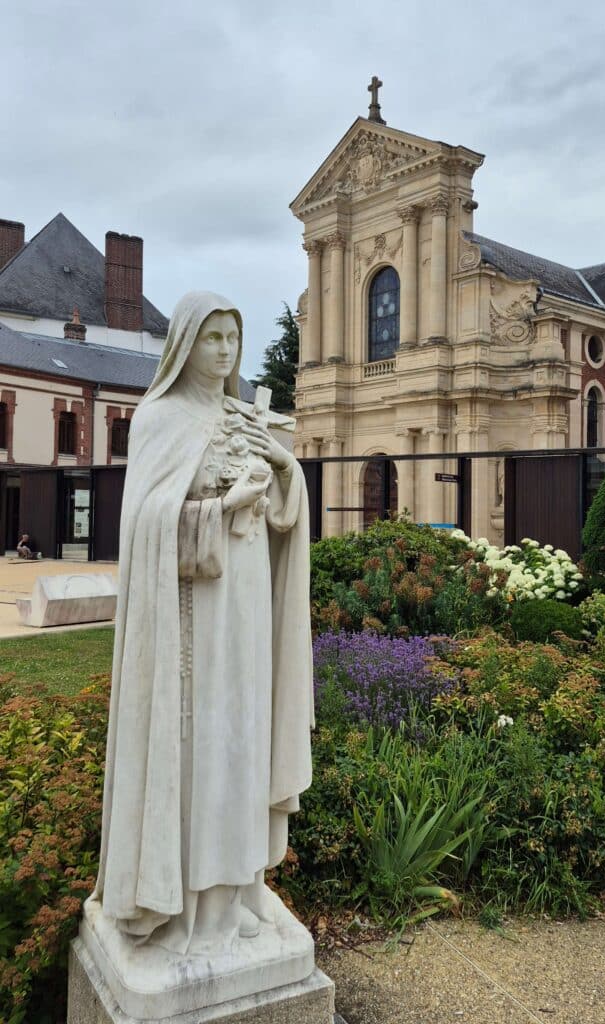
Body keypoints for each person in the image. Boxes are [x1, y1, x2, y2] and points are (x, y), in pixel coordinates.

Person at [89, 291, 314, 956]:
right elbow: (144, 526)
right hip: (192, 619)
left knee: (242, 737)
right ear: (185, 344)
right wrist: (219, 511)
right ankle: (192, 905)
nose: (223, 353)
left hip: (245, 606)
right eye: (212, 339)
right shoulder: (160, 418)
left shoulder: (243, 414)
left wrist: (280, 471)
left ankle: (240, 886)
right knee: (199, 745)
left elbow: (283, 516)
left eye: (231, 340)